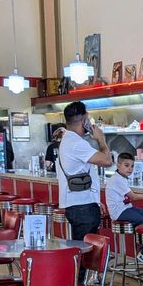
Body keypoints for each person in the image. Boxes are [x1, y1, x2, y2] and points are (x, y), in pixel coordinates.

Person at [56, 101, 112, 241]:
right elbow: (107, 161)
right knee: (85, 251)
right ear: (84, 120)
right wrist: (101, 139)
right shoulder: (76, 143)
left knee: (84, 249)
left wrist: (95, 200)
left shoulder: (69, 139)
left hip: (79, 204)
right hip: (82, 207)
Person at [106, 153, 143, 264]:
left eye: (132, 166)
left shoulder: (122, 178)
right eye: (126, 165)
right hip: (118, 212)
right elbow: (133, 197)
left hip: (126, 208)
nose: (130, 169)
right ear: (118, 165)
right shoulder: (117, 179)